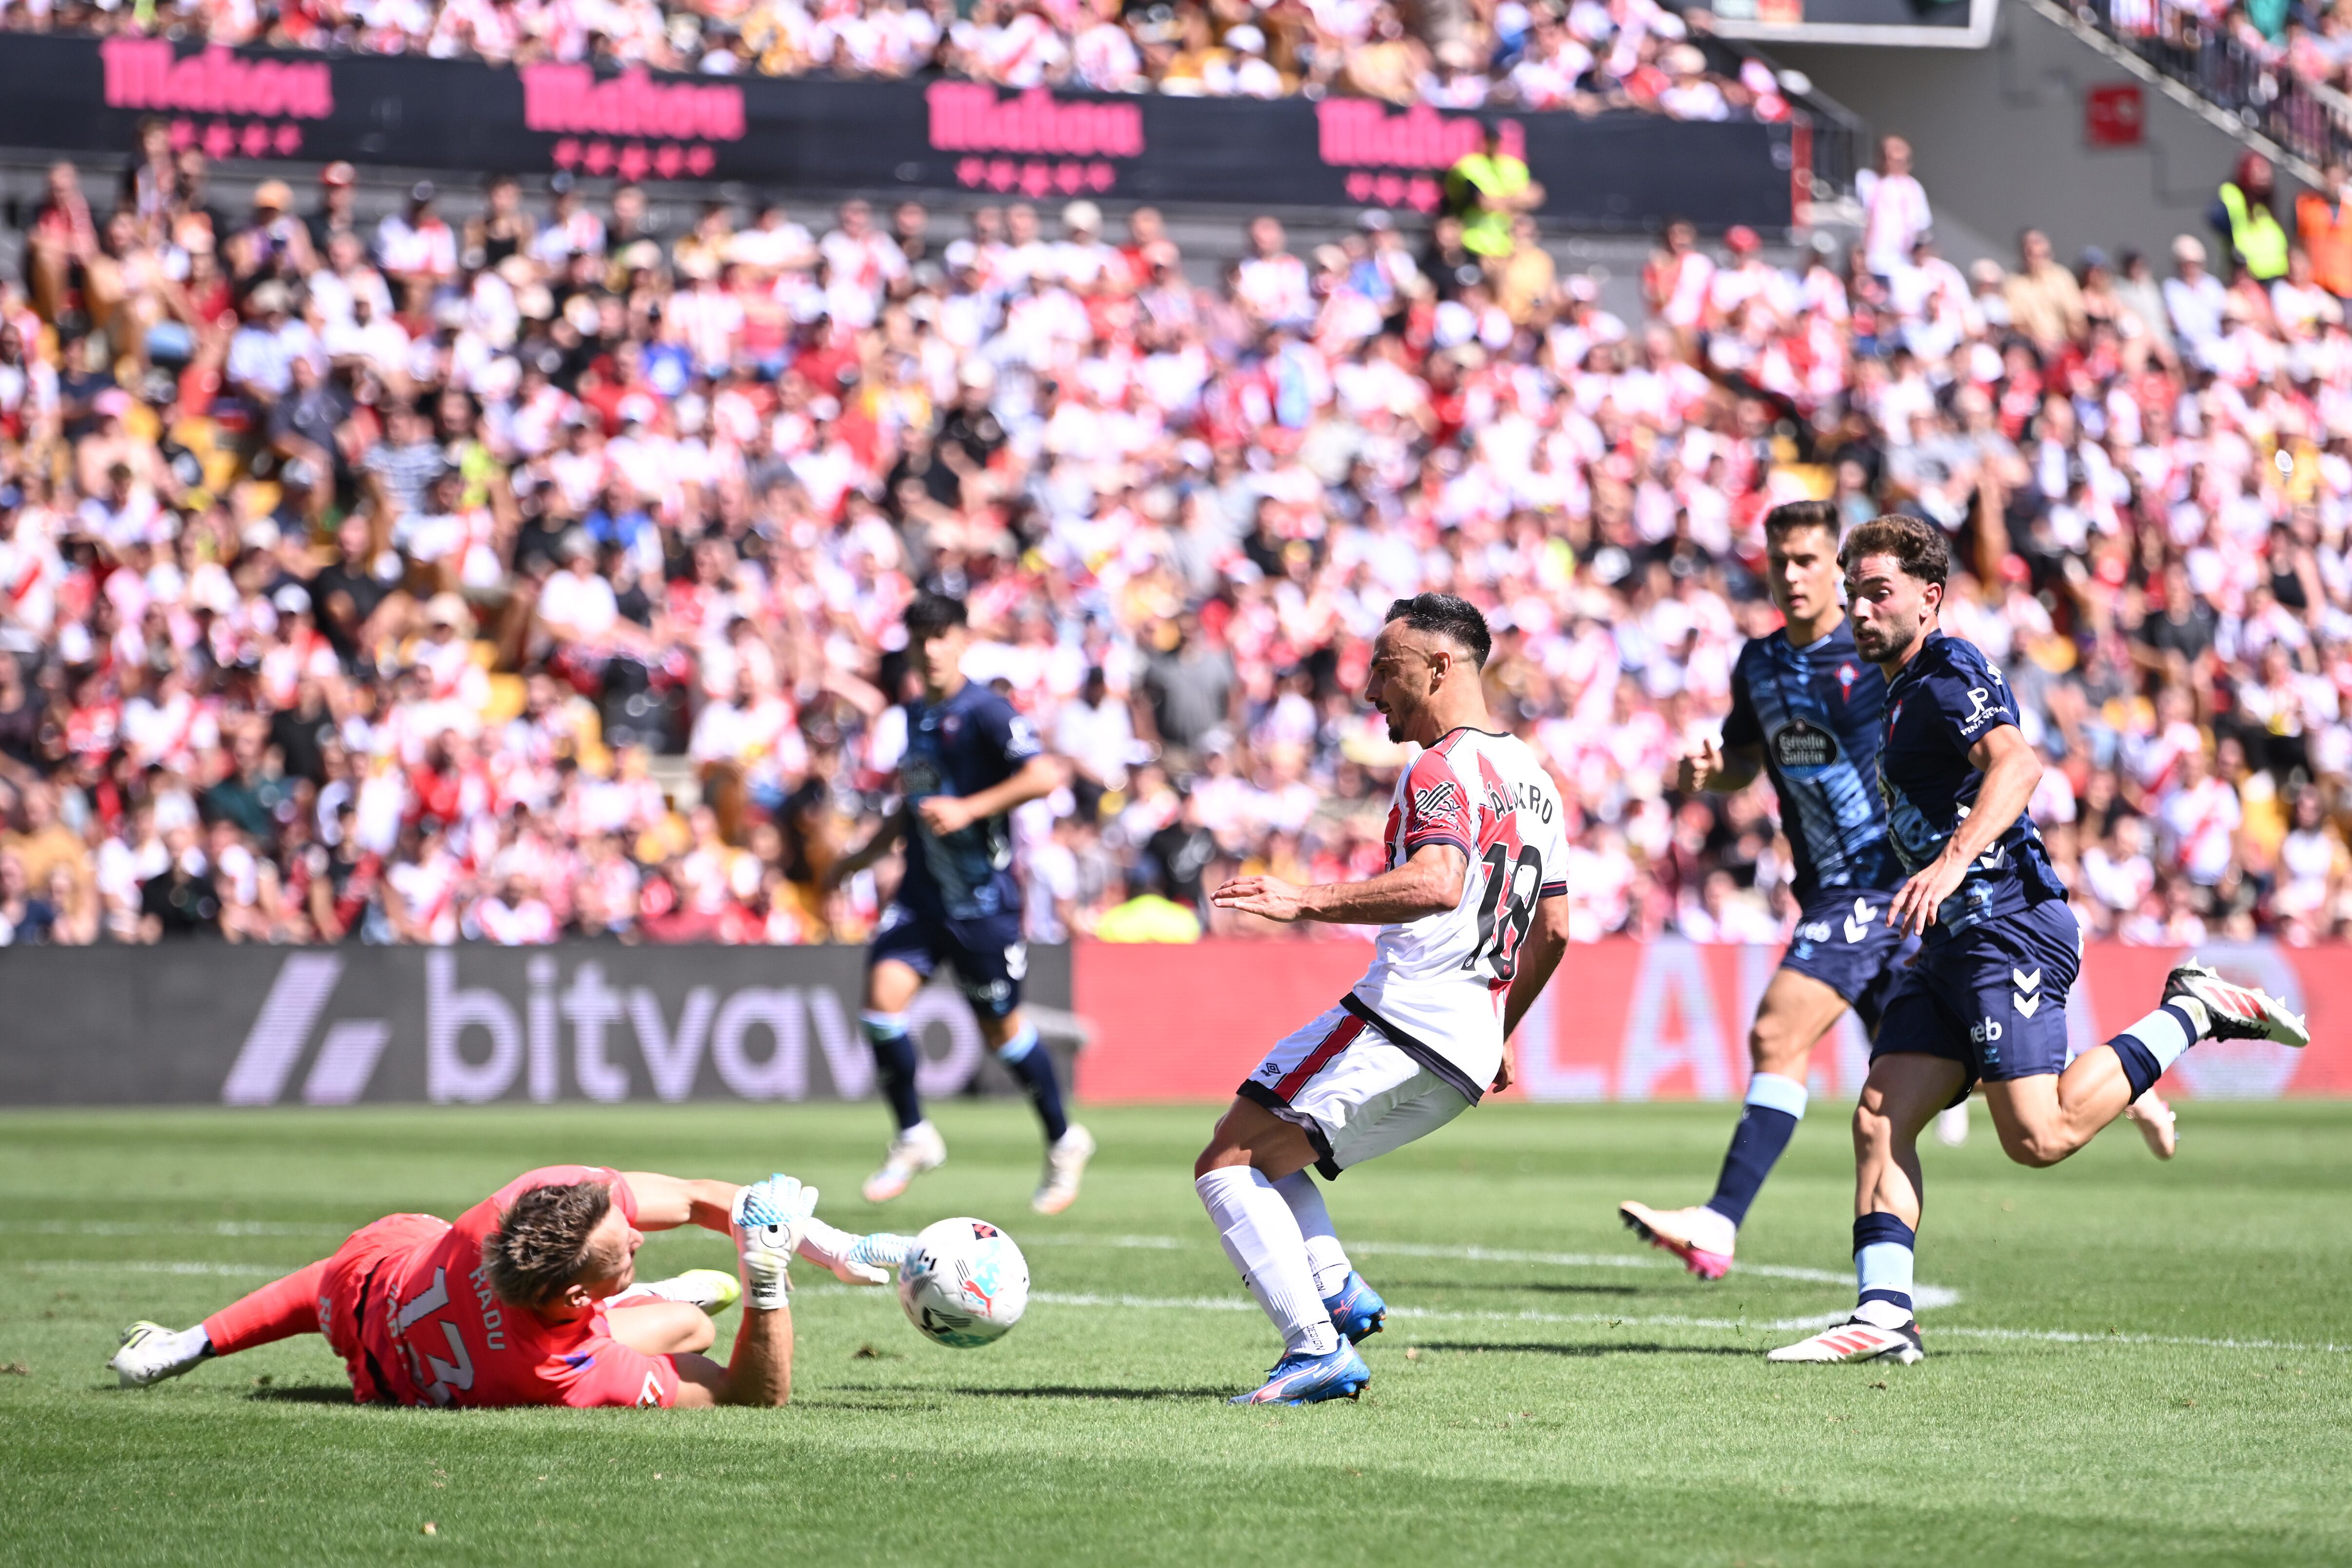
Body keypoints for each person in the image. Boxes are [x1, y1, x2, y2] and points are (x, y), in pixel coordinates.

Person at [1768, 518, 2308, 1366]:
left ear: (1927, 598)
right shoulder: (1898, 689)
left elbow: (2017, 766)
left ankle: (2191, 1011)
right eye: (1854, 593)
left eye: (1877, 591)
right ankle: (1884, 1316)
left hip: (2006, 924)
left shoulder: (1949, 670)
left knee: (2039, 1136)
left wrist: (1948, 866)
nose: (1859, 608)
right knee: (1879, 1113)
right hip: (1950, 941)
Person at [1194, 594, 1571, 1405]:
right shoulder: (1536, 780)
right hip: (1465, 1046)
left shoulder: (1440, 768)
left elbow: (1438, 882)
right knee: (1266, 1144)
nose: (1369, 690)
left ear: (1440, 665)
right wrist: (1503, 1021)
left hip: (1407, 1015)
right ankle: (1334, 1289)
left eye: (1383, 667)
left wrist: (1305, 901)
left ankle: (1314, 1347)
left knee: (1224, 1165)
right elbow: (1558, 929)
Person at [1617, 501, 1912, 1280]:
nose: (1790, 574)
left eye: (1807, 560)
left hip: (1878, 886)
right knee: (1975, 1077)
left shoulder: (1878, 656)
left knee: (1776, 1033)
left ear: (1840, 572)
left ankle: (1717, 1221)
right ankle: (2120, 1079)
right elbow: (1749, 758)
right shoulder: (1757, 662)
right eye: (1779, 560)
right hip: (1824, 891)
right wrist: (1712, 774)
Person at [107, 1167, 909, 1407]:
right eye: (623, 1253)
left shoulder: (514, 1209)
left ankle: (644, 1301)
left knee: (685, 1323)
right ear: (574, 1304)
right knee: (694, 1333)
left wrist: (194, 1342)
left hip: (385, 1315)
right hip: (507, 1355)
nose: (634, 1233)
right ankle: (652, 1305)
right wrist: (767, 1278)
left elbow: (316, 1292)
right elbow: (750, 1396)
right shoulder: (565, 1378)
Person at [829, 591, 1094, 1213]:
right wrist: (861, 859)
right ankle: (914, 1134)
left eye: (942, 635)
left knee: (1002, 1033)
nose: (931, 647)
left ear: (962, 640)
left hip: (982, 902)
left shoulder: (986, 710)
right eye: (921, 637)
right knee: (878, 1005)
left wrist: (969, 809)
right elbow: (911, 805)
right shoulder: (916, 715)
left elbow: (1043, 776)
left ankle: (1063, 1140)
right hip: (924, 896)